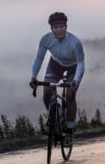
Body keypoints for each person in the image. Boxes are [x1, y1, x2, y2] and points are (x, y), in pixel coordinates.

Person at [29, 12, 84, 146]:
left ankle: (69, 130)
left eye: (61, 26)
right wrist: (33, 77)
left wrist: (75, 80)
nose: (59, 30)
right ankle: (57, 113)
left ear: (66, 26)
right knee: (47, 93)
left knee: (70, 96)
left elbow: (81, 63)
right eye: (55, 27)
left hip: (74, 66)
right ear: (51, 29)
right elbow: (39, 59)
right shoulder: (45, 40)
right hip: (55, 65)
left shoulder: (75, 42)